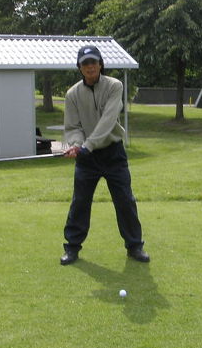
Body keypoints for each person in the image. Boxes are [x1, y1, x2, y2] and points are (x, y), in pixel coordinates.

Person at [59, 45, 149, 265]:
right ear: (79, 68)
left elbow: (108, 120)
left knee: (125, 200)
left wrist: (87, 145)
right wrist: (76, 144)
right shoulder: (72, 94)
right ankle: (72, 248)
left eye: (93, 62)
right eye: (85, 64)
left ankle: (134, 247)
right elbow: (72, 126)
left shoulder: (114, 86)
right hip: (86, 157)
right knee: (80, 202)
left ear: (100, 64)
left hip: (112, 153)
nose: (90, 67)